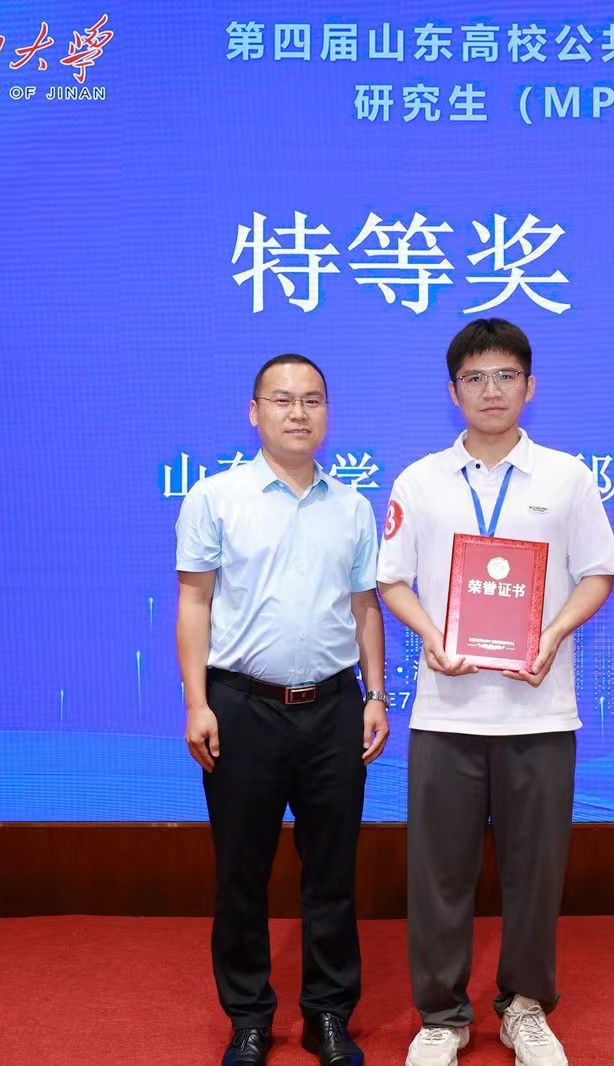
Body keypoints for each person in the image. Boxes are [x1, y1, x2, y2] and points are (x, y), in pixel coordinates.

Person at [377, 319, 614, 1066]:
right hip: (445, 712)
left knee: (535, 873)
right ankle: (442, 1017)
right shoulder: (420, 480)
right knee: (439, 873)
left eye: (506, 376)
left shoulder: (567, 477)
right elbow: (392, 580)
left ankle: (525, 1008)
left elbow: (599, 574)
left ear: (530, 386)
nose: (492, 391)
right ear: (453, 392)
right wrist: (431, 634)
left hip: (539, 712)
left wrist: (551, 634)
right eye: (475, 378)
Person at [176, 354, 390, 1066]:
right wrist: (197, 702)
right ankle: (248, 1019)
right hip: (242, 708)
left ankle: (328, 1015)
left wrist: (375, 694)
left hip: (333, 709)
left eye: (312, 400)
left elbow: (365, 607)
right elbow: (194, 603)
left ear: (327, 412)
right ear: (254, 411)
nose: (299, 413)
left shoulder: (352, 507)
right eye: (282, 400)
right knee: (241, 872)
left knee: (332, 873)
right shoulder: (215, 498)